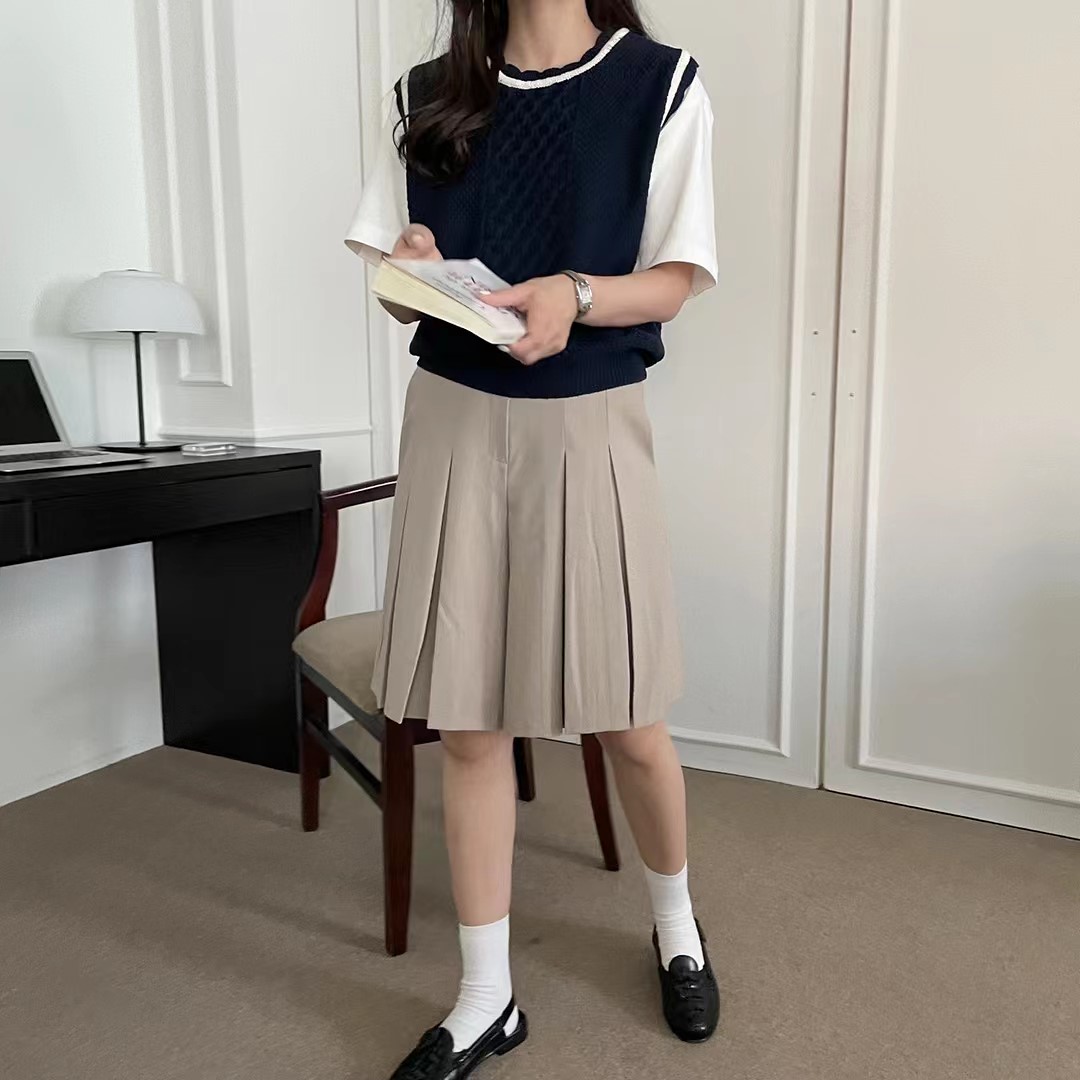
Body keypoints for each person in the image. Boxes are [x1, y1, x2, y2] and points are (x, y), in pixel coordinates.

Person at [345, 1, 719, 1076]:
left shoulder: (660, 84)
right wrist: (412, 263)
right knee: (469, 725)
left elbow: (679, 278)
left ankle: (677, 925)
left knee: (630, 716)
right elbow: (395, 282)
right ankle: (486, 997)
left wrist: (577, 293)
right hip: (454, 419)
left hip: (590, 417)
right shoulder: (427, 94)